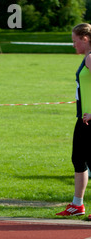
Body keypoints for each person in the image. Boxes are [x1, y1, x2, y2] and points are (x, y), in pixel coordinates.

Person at [57, 23, 91, 219]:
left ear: (84, 39)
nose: (73, 45)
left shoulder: (90, 58)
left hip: (89, 118)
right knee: (78, 159)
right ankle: (77, 204)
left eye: (74, 40)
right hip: (83, 118)